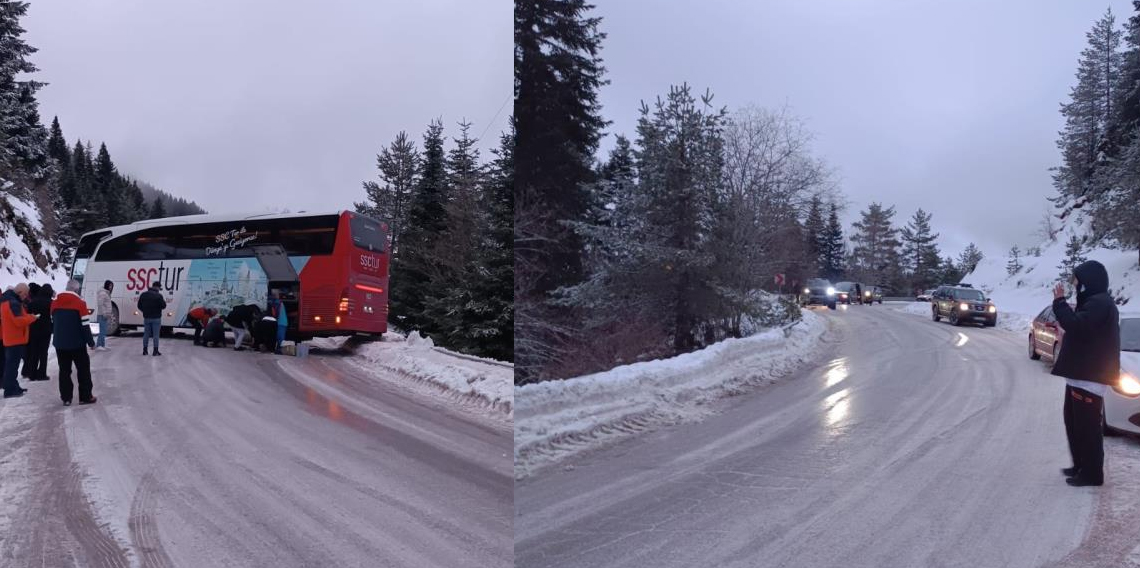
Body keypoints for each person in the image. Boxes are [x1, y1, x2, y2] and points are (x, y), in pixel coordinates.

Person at [1052, 260, 1120, 488]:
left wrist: (1060, 303)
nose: (1075, 285)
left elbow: (1076, 325)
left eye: (1078, 281)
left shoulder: (1100, 303)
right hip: (1080, 375)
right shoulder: (1093, 302)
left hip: (1089, 378)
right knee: (1073, 424)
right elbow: (1082, 332)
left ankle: (1092, 474)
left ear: (1089, 282)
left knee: (1087, 428)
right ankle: (1080, 465)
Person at [53, 280, 97, 405]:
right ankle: (85, 396)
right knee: (83, 369)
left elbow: (53, 321)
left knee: (64, 370)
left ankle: (66, 398)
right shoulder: (80, 303)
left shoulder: (54, 302)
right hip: (77, 344)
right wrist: (91, 342)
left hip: (60, 344)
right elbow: (85, 326)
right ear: (77, 290)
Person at [2, 284, 38, 398]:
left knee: (11, 365)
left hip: (11, 337)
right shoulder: (13, 303)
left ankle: (13, 386)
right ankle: (10, 390)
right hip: (15, 339)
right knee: (11, 366)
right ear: (20, 292)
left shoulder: (8, 301)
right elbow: (18, 321)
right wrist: (32, 318)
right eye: (26, 294)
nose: (26, 297)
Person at [24, 283, 53, 381]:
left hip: (34, 329)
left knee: (34, 352)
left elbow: (27, 315)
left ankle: (32, 374)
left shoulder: (33, 302)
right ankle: (42, 373)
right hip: (46, 329)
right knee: (43, 352)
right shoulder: (51, 303)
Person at [137, 281, 166, 356]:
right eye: (159, 288)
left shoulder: (143, 294)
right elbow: (163, 306)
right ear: (157, 287)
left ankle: (145, 350)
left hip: (147, 317)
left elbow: (139, 305)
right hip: (156, 318)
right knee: (156, 335)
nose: (159, 289)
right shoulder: (159, 296)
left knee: (146, 334)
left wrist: (144, 311)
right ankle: (155, 351)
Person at [20, 282, 40, 378]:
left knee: (27, 352)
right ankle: (27, 370)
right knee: (29, 352)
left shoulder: (26, 301)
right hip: (29, 328)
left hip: (27, 329)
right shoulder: (28, 302)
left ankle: (26, 370)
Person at [95, 279, 114, 350]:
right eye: (110, 285)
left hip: (105, 315)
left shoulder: (106, 293)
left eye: (112, 286)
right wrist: (104, 313)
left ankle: (102, 345)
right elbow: (100, 304)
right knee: (102, 330)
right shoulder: (103, 293)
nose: (111, 287)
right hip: (102, 315)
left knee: (104, 330)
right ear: (106, 285)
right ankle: (99, 345)